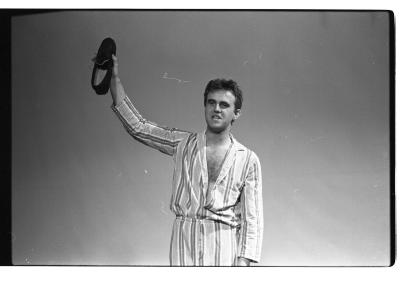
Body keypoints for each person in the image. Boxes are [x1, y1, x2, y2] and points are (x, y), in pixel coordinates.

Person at [108, 54, 263, 266]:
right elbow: (139, 127)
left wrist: (243, 262)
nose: (216, 109)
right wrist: (113, 79)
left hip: (224, 244)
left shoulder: (248, 159)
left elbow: (251, 218)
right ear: (205, 106)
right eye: (211, 103)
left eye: (224, 105)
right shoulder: (183, 142)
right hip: (184, 241)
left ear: (236, 113)